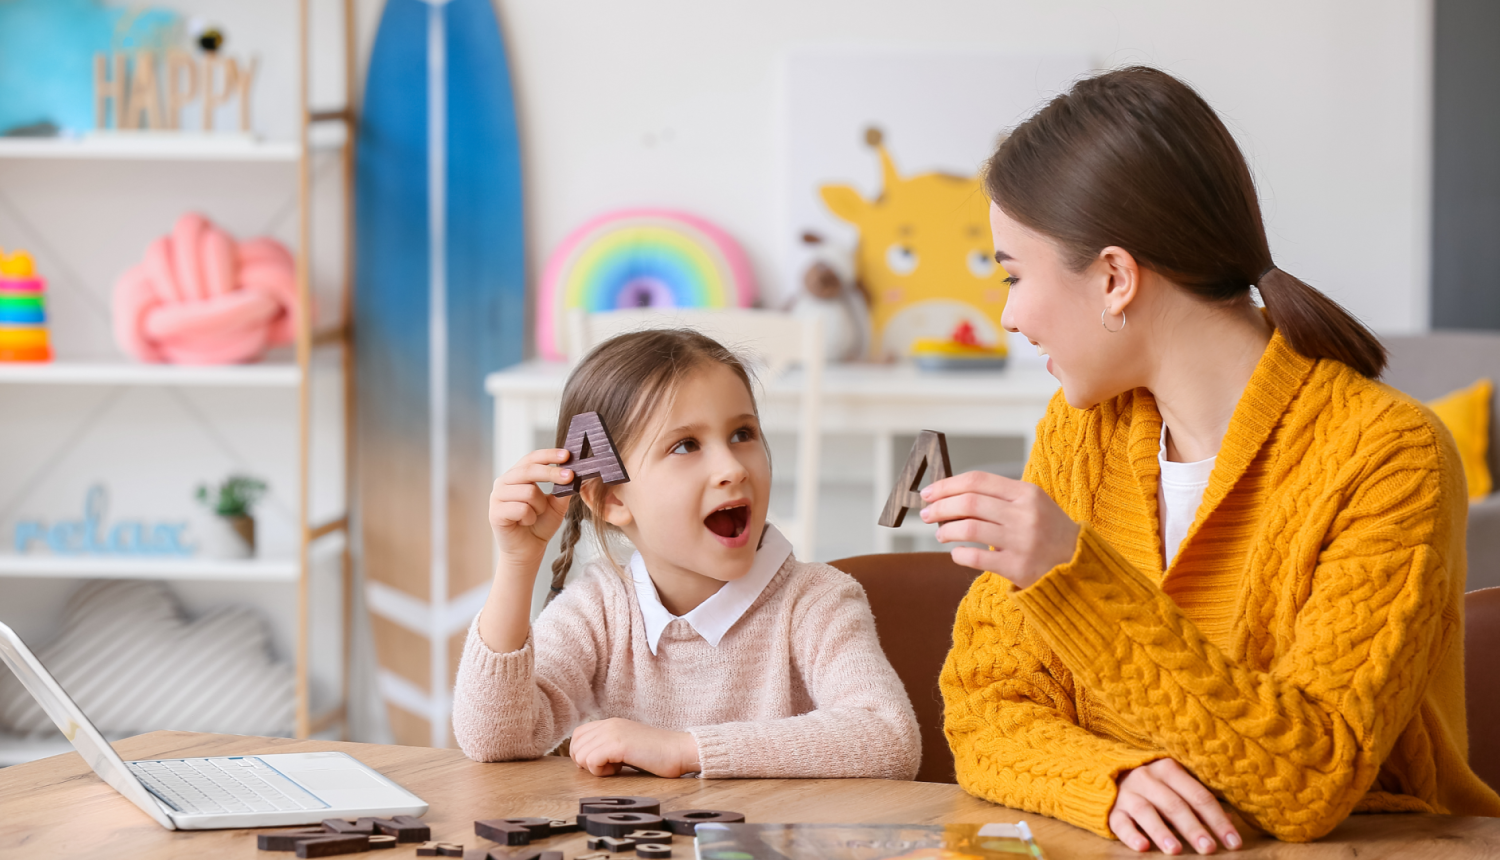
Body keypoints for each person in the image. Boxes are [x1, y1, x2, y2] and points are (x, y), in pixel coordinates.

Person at [929, 67, 1500, 854]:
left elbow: (1308, 782)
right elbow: (982, 709)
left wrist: (1073, 574)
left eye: (1014, 275)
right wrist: (1110, 777)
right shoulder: (1077, 433)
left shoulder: (1391, 454)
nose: (1009, 315)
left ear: (1114, 277)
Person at [453, 328, 920, 780]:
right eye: (686, 445)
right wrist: (518, 562)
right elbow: (496, 739)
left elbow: (890, 738)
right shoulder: (599, 608)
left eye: (742, 434)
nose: (732, 468)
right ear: (612, 500)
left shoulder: (817, 600)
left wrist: (686, 749)